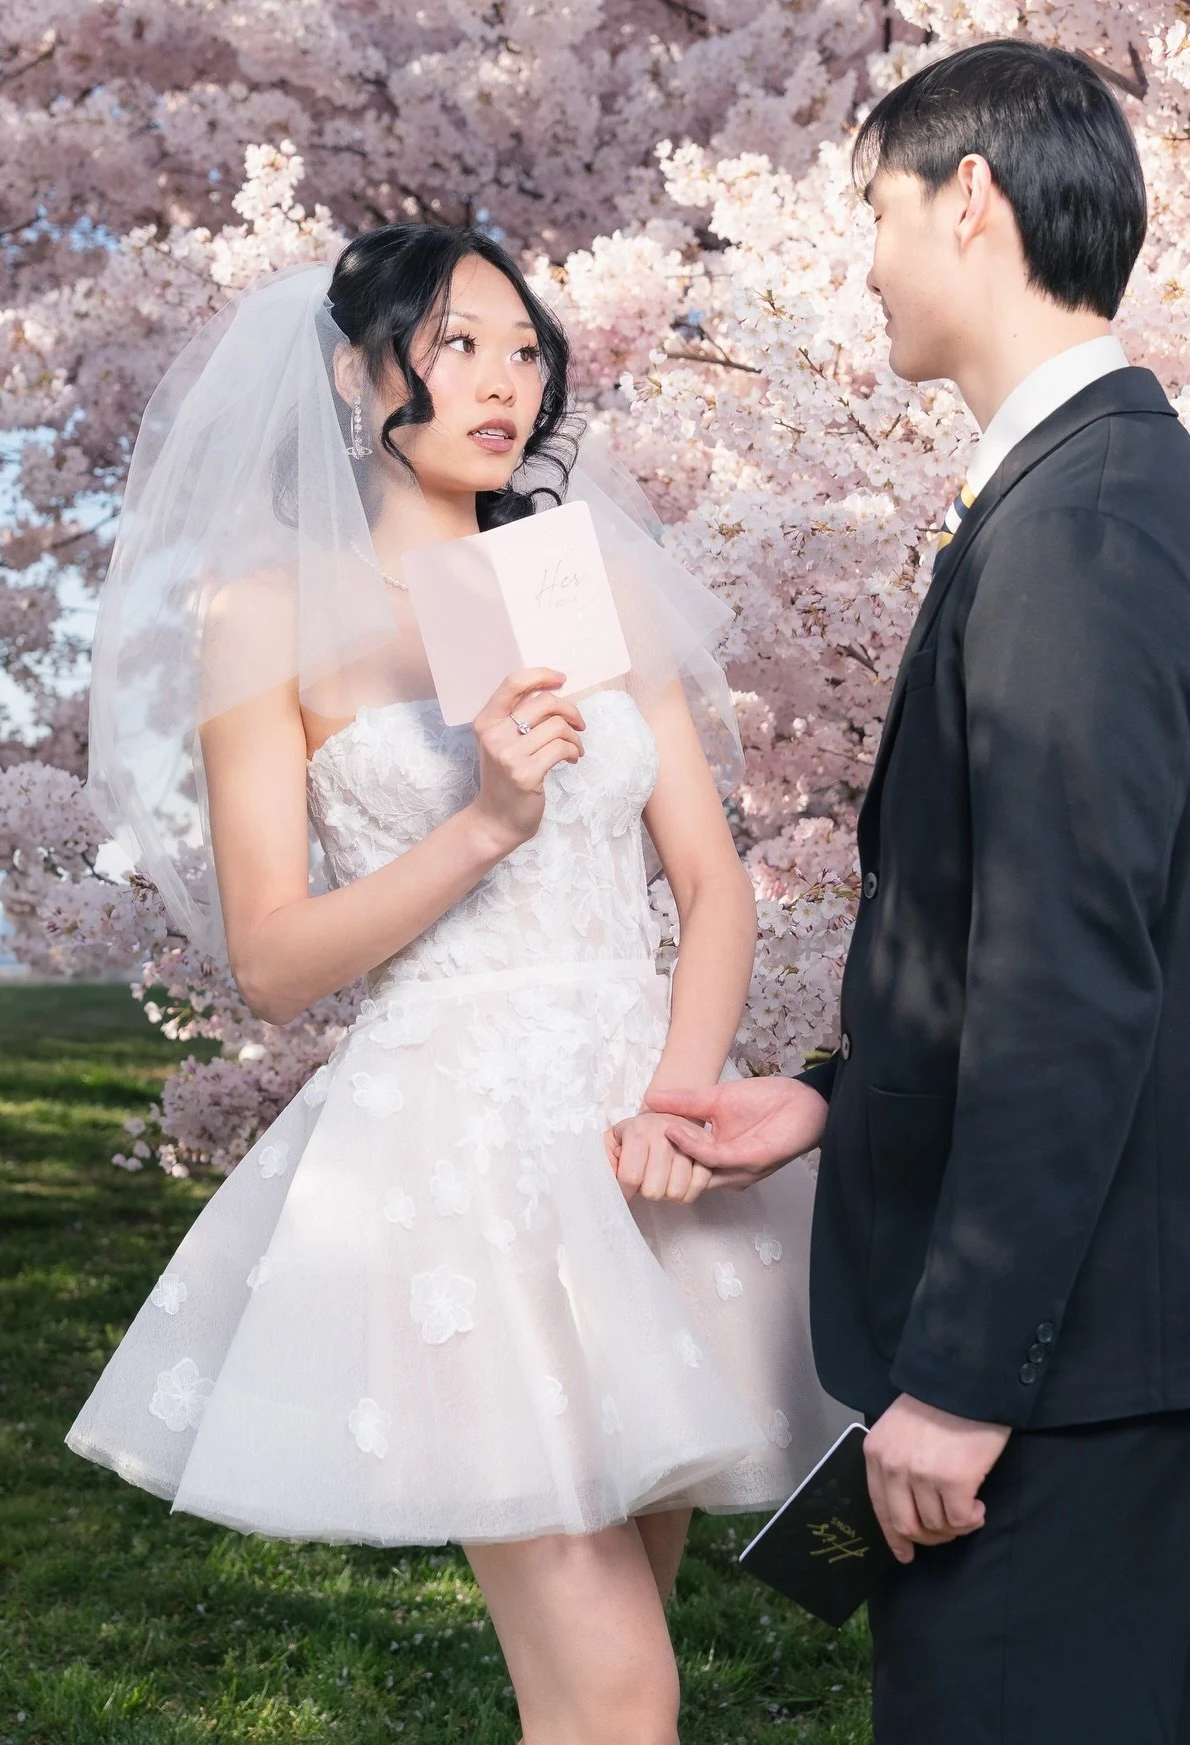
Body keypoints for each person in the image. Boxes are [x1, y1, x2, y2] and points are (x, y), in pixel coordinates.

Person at [67, 223, 847, 1745]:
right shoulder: (270, 614)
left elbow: (711, 885)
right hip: (464, 1157)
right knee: (621, 1693)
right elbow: (273, 959)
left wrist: (679, 1100)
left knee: (608, 1684)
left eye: (525, 348)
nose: (504, 382)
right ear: (359, 377)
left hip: (645, 1139)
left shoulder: (572, 581)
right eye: (458, 346)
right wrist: (487, 820)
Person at [656, 40, 1190, 1743]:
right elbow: (1007, 933)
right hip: (1090, 1335)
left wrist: (960, 1382)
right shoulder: (1081, 492)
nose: (866, 264)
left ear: (971, 200)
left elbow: (1069, 989)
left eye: (876, 211)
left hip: (1057, 1362)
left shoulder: (1080, 530)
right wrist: (835, 1093)